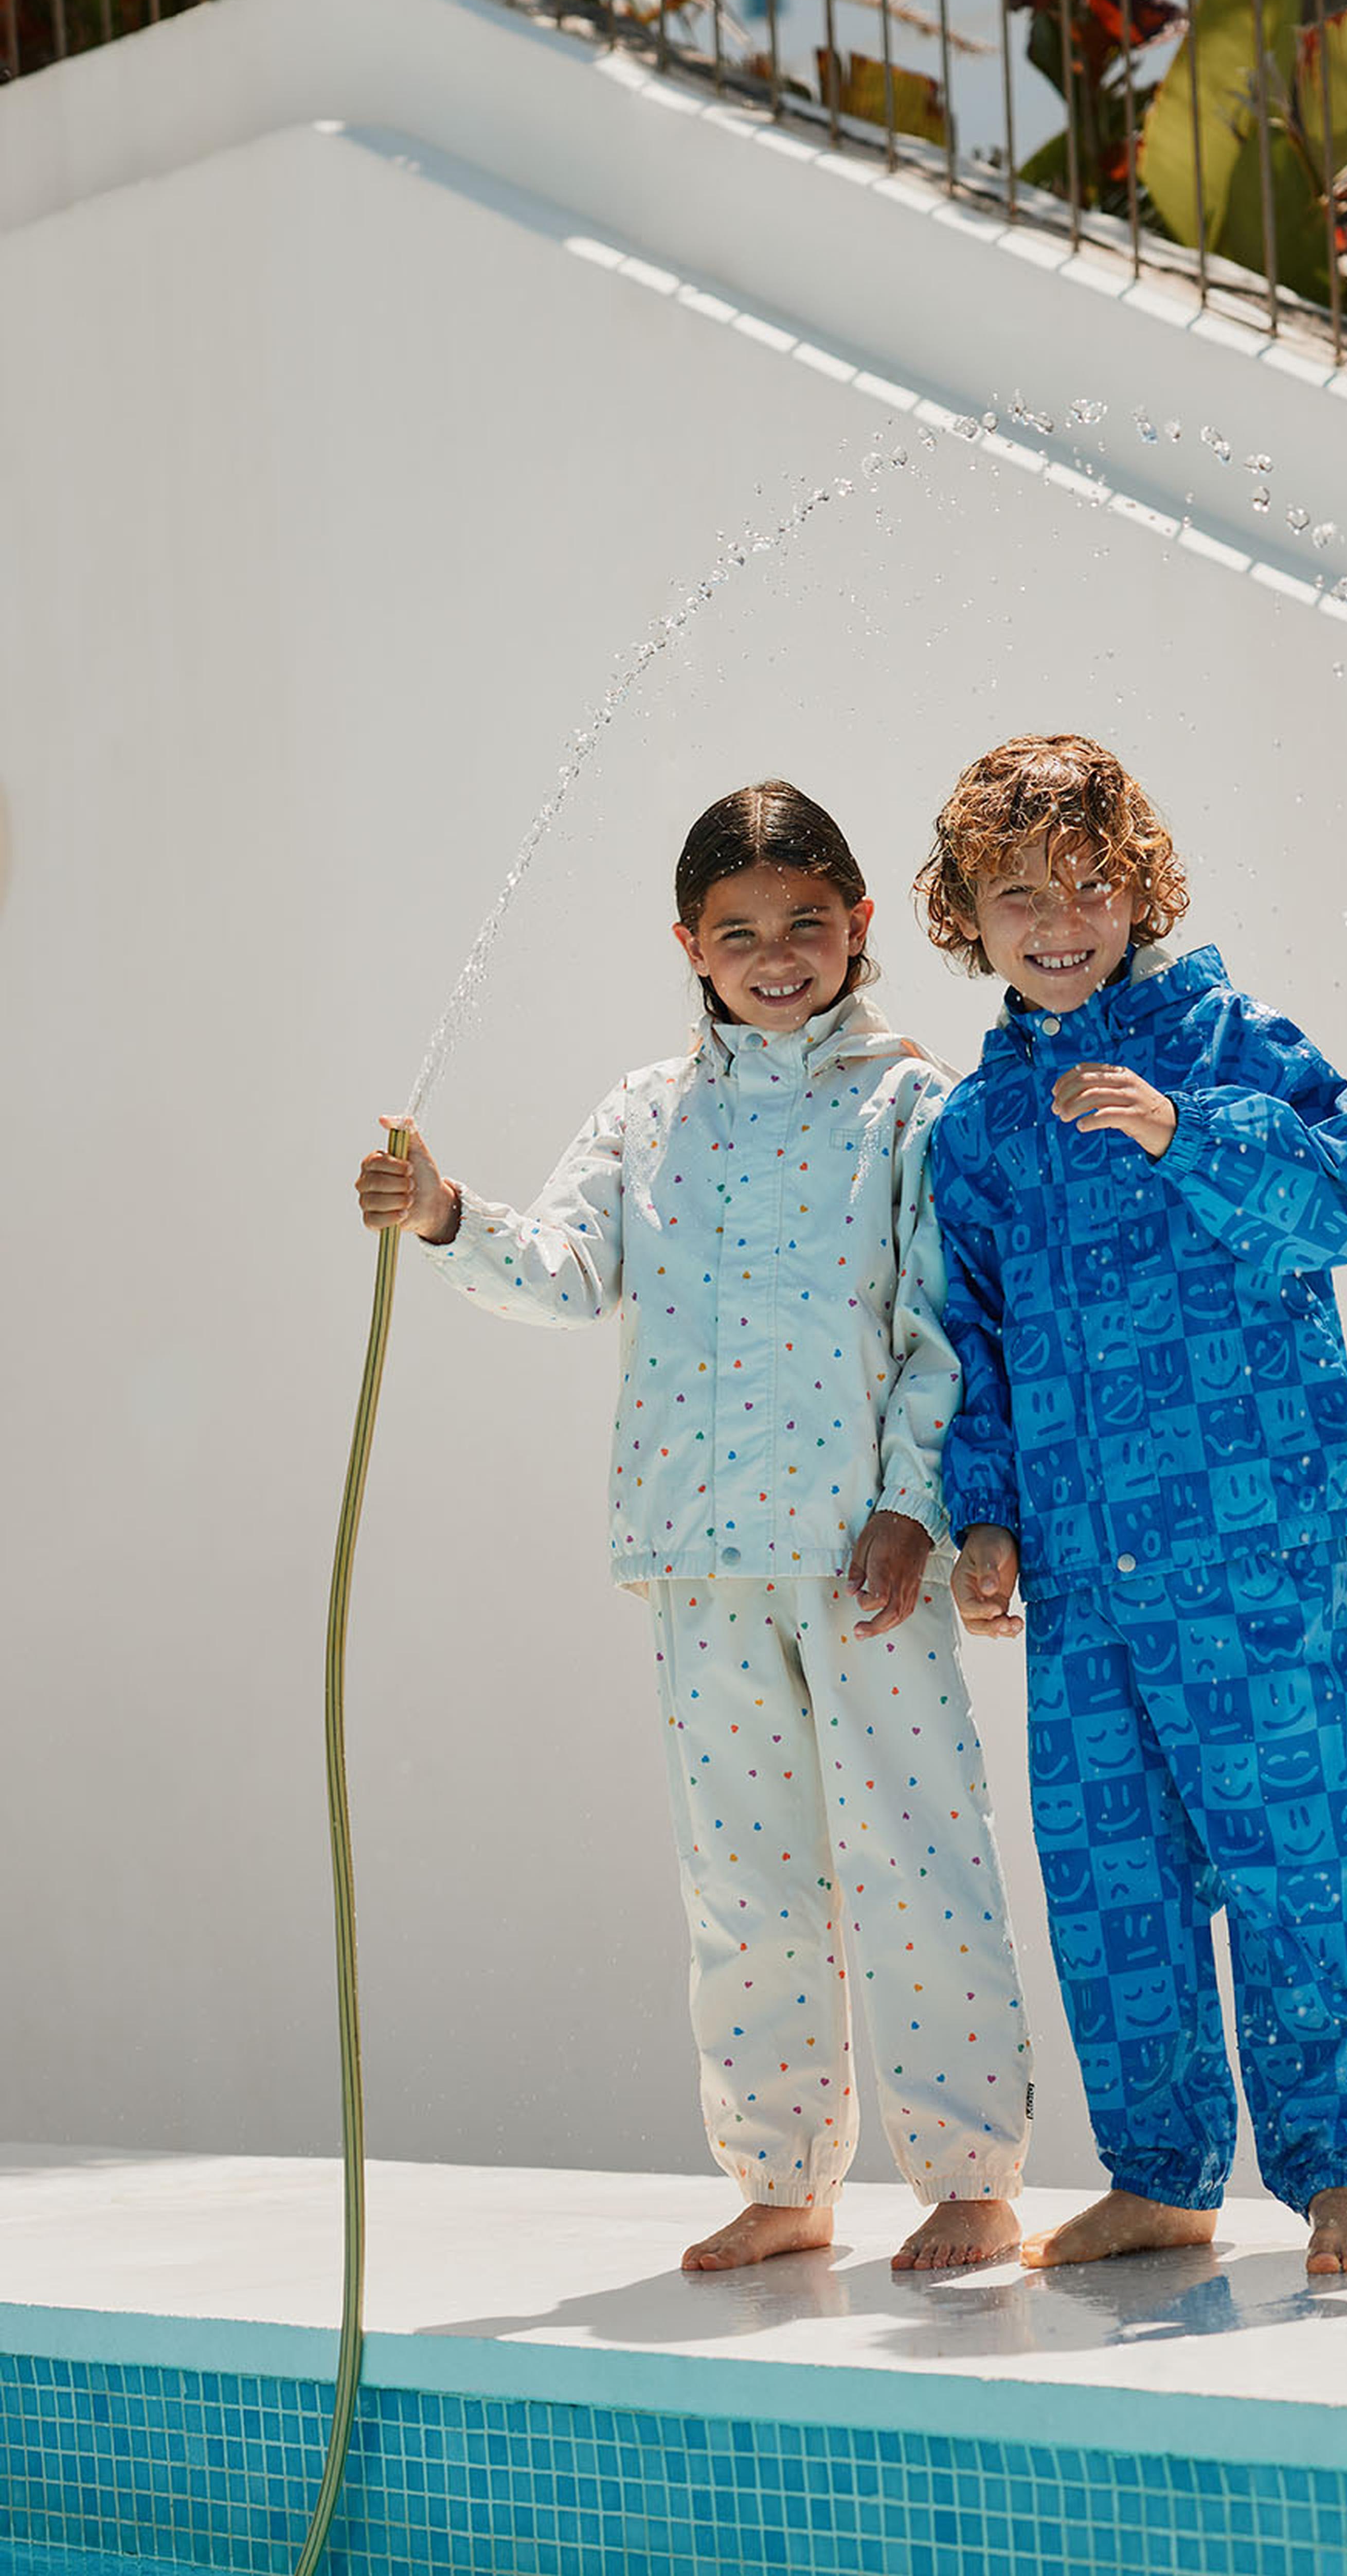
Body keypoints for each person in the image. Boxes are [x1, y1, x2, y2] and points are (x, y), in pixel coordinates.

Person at [356, 781, 1031, 2273]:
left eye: (806, 923)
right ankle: (785, 2180)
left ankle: (972, 2176)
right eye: (739, 933)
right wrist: (447, 1213)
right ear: (689, 945)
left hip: (865, 1560)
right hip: (697, 1559)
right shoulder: (646, 1116)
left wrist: (914, 1508)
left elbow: (944, 1331)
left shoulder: (913, 1108)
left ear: (859, 924)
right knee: (743, 1884)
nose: (776, 957)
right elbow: (568, 1269)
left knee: (914, 1853)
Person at [914, 734, 1347, 2279]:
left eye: (1090, 886)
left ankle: (1343, 2175)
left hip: (1249, 1541)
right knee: (1110, 1876)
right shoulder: (977, 1129)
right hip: (1080, 1568)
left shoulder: (1229, 1042)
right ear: (965, 919)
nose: (1058, 922)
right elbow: (973, 1343)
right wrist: (985, 1519)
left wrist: (1187, 1131)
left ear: (1141, 891)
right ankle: (1161, 2174)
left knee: (1295, 1857)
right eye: (1018, 896)